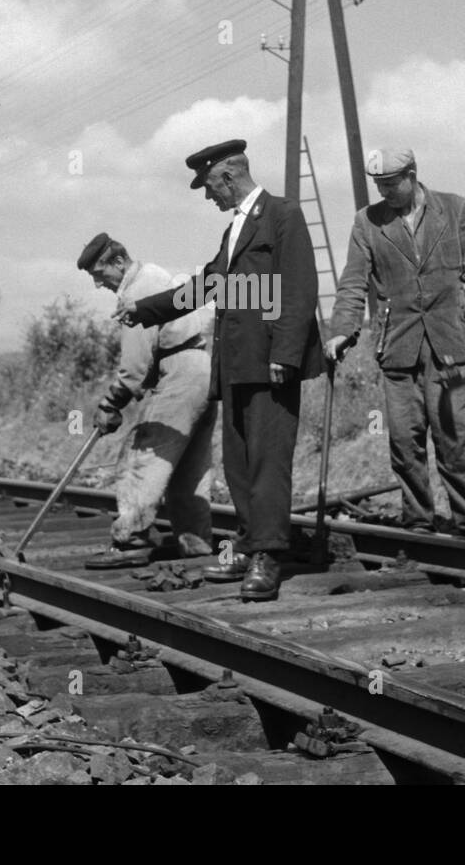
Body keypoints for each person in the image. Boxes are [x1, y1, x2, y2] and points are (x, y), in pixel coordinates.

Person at [115, 140, 323, 601]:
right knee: (240, 464)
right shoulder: (235, 230)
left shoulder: (283, 215)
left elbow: (300, 289)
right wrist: (143, 311)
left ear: (228, 177)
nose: (210, 197)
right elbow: (207, 285)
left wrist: (285, 356)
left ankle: (269, 556)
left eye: (210, 187)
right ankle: (250, 546)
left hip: (271, 364)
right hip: (236, 365)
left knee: (269, 462)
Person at [326, 147, 465, 534]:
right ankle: (418, 526)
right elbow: (353, 282)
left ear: (412, 174)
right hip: (399, 347)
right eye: (378, 185)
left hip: (451, 344)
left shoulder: (456, 210)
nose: (384, 192)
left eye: (390, 184)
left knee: (457, 442)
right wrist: (342, 330)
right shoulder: (367, 223)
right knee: (405, 444)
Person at [76, 234, 215, 568]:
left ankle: (131, 539)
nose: (98, 284)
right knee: (188, 467)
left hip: (179, 373)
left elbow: (135, 365)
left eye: (99, 274)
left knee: (146, 453)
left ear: (119, 262)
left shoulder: (136, 290)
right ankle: (195, 543)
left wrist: (111, 403)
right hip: (204, 371)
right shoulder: (154, 275)